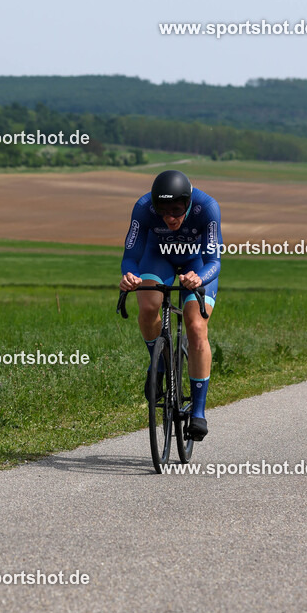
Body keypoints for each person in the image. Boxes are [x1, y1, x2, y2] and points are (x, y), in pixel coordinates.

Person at [119, 170, 220, 441]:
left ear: (188, 203)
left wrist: (199, 277)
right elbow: (130, 256)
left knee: (196, 326)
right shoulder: (143, 208)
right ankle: (158, 364)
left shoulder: (207, 207)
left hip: (195, 264)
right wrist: (129, 275)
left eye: (176, 211)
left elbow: (214, 260)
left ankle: (198, 412)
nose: (170, 218)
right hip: (157, 258)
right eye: (163, 212)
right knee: (150, 305)